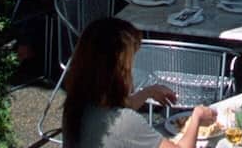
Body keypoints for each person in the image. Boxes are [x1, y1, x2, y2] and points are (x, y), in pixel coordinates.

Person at [61, 18, 216, 148]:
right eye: (130, 66)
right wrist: (196, 117)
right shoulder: (125, 124)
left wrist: (148, 92)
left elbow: (116, 109)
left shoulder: (77, 106)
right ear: (117, 72)